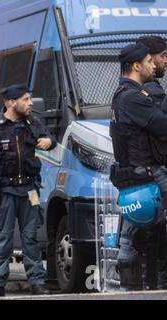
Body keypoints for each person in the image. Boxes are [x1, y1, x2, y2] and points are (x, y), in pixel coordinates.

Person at [0, 85, 56, 296]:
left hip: (29, 190)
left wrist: (48, 141)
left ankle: (37, 283)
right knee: (3, 238)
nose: (30, 103)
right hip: (4, 190)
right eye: (25, 99)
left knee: (31, 238)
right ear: (11, 103)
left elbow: (51, 139)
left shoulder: (32, 123)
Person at [109, 42, 167, 291]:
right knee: (134, 236)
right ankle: (135, 287)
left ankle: (133, 286)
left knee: (134, 235)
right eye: (148, 62)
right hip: (147, 174)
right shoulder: (133, 97)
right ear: (136, 65)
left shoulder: (123, 94)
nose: (152, 64)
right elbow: (163, 127)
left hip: (137, 175)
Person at [136, 36, 167, 290]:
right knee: (149, 232)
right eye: (162, 55)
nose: (164, 61)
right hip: (151, 170)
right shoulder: (142, 93)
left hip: (147, 171)